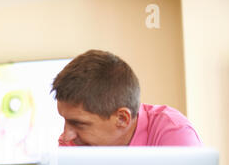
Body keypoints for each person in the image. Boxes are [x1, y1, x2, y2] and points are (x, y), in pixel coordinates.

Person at [52, 49, 202, 147]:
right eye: (65, 120)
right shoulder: (71, 144)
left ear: (122, 118)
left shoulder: (174, 134)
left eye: (79, 124)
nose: (66, 136)